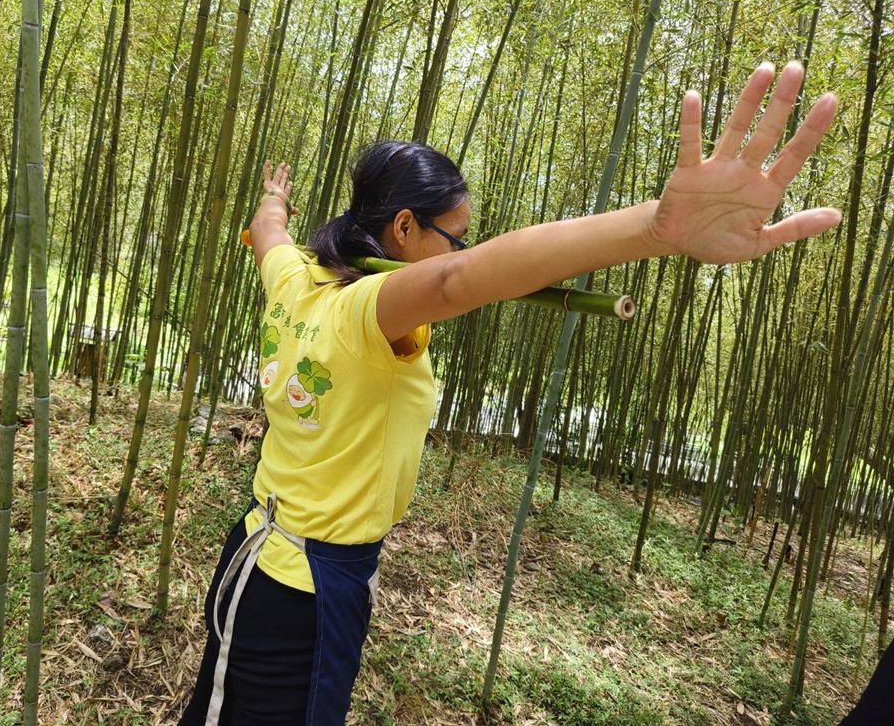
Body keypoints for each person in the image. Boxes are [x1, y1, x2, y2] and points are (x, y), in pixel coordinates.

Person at [178, 61, 840, 725]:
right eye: (456, 235)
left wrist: (275, 200)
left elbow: (270, 234)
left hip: (302, 569)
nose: (462, 247)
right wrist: (654, 229)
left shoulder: (296, 278)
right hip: (296, 585)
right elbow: (456, 281)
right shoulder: (365, 309)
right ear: (404, 228)